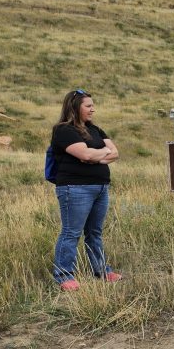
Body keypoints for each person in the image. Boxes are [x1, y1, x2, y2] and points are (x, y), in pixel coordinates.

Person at [50, 88, 121, 290]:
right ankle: (64, 276)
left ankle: (102, 271)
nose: (93, 109)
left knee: (95, 232)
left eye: (93, 105)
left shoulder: (95, 130)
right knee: (71, 232)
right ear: (75, 107)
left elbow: (114, 153)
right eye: (88, 106)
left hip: (100, 188)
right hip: (75, 188)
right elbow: (85, 154)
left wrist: (96, 154)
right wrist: (98, 154)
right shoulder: (64, 130)